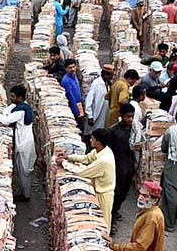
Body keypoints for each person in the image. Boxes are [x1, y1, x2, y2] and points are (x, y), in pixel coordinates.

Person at [56, 129, 116, 230]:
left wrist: (64, 163)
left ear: (98, 142)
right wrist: (69, 157)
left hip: (104, 194)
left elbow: (82, 172)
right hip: (98, 188)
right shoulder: (100, 151)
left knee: (104, 221)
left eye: (92, 139)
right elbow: (86, 158)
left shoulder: (104, 160)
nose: (90, 141)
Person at [0, 85, 36, 202]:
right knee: (20, 170)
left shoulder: (21, 110)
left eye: (13, 96)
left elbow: (6, 120)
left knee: (24, 171)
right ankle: (22, 192)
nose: (11, 98)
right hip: (22, 142)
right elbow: (6, 111)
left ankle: (26, 195)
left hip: (24, 144)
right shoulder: (19, 106)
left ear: (20, 98)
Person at [109, 103, 140, 233]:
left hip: (129, 166)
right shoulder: (113, 130)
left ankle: (116, 210)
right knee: (115, 193)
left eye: (132, 117)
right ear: (121, 116)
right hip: (117, 167)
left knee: (123, 193)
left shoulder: (134, 130)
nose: (130, 119)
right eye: (128, 117)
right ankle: (111, 218)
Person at [84, 65, 111, 136]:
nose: (111, 77)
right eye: (110, 75)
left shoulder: (108, 83)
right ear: (105, 74)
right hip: (96, 114)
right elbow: (88, 101)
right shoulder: (96, 84)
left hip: (104, 113)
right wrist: (90, 116)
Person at [61, 59, 85, 130]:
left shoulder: (74, 76)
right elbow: (70, 97)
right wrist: (76, 112)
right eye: (70, 68)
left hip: (79, 105)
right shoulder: (66, 81)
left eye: (74, 67)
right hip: (74, 108)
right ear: (66, 69)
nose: (72, 69)